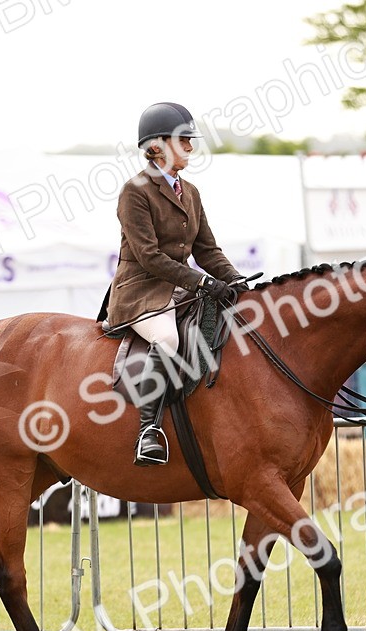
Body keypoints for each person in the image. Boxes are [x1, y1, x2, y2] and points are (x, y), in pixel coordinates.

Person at [104, 102, 246, 466]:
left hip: (179, 290)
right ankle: (148, 430)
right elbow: (149, 256)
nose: (190, 147)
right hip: (140, 292)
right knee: (167, 338)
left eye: (190, 140)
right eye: (183, 140)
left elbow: (207, 250)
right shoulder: (135, 192)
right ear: (156, 146)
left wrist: (237, 282)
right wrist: (201, 283)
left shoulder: (191, 192)